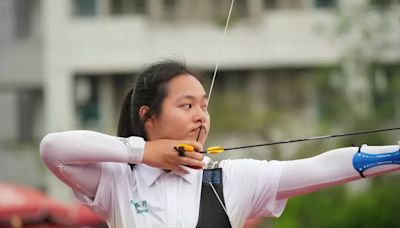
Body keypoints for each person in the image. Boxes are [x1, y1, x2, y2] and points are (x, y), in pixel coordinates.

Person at [40, 60, 400, 228]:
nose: (201, 116)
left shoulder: (230, 180)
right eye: (186, 105)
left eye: (204, 106)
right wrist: (143, 152)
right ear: (148, 117)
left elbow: (320, 167)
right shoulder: (118, 180)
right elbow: (53, 149)